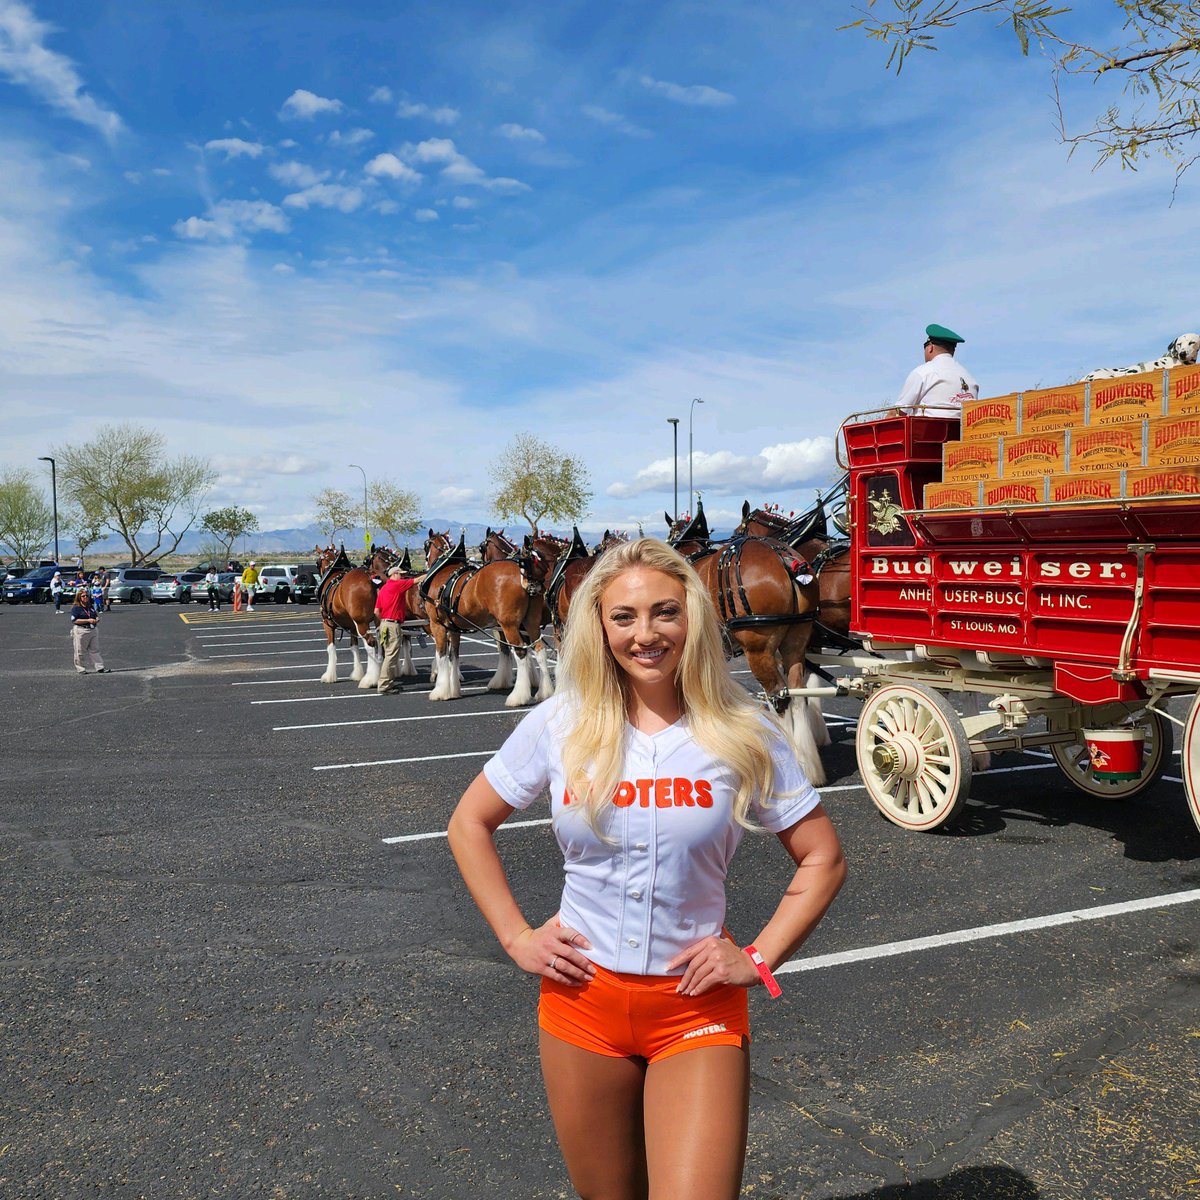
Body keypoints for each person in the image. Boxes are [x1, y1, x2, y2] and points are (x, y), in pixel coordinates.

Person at [448, 538, 847, 1199]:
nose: (646, 634)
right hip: (580, 1003)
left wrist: (758, 958)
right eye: (624, 617)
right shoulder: (561, 722)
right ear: (599, 627)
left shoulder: (743, 727)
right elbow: (468, 824)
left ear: (694, 617)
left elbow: (823, 856)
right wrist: (516, 937)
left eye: (666, 612)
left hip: (696, 1010)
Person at [896, 323, 979, 416]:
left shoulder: (922, 373)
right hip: (965, 425)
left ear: (930, 348)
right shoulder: (970, 379)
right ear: (953, 351)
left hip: (928, 426)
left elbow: (897, 413)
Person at [374, 563, 420, 695]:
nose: (403, 577)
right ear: (394, 574)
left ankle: (387, 683)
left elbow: (376, 611)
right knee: (391, 657)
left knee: (388, 655)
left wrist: (385, 619)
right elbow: (416, 580)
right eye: (401, 574)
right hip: (392, 625)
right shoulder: (397, 585)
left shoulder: (383, 588)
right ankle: (384, 685)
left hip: (384, 624)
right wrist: (431, 573)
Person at [69, 587, 106, 674]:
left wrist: (96, 618)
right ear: (79, 597)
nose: (85, 597)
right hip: (81, 630)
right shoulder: (76, 608)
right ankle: (81, 668)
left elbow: (95, 615)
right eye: (83, 596)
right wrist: (88, 620)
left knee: (95, 650)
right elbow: (74, 620)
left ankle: (100, 667)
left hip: (93, 629)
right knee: (80, 651)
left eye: (86, 596)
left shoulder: (90, 606)